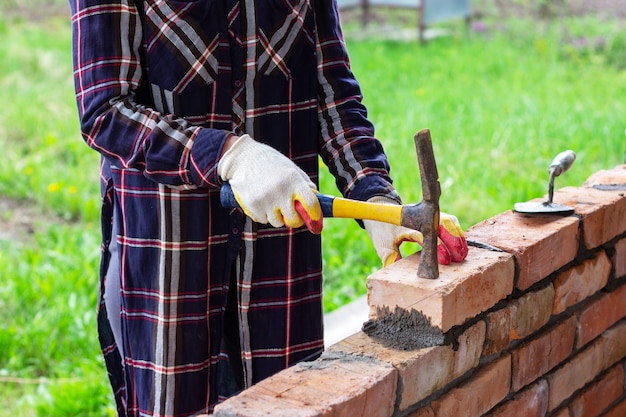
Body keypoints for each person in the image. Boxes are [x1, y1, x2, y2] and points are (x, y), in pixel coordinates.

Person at [68, 0, 468, 415]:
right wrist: (229, 155)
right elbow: (105, 111)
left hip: (277, 263)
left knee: (286, 403)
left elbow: (331, 88)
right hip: (168, 257)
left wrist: (373, 195)